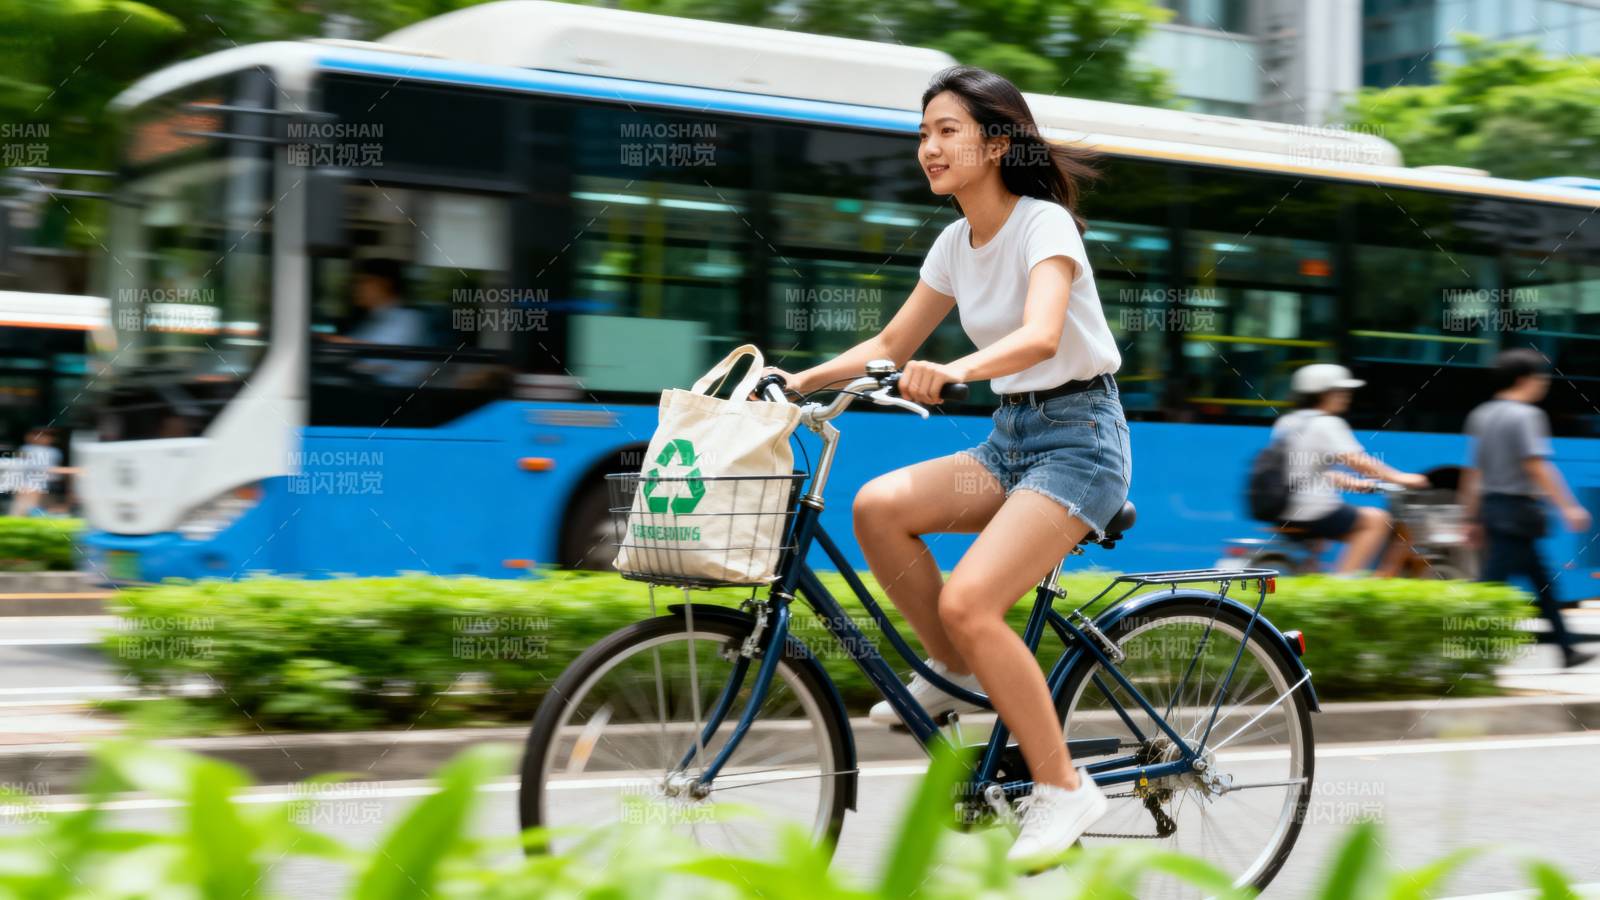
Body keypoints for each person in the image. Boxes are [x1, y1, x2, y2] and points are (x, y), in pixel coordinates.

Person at [760, 66, 1122, 864]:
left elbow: (1038, 335)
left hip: (1080, 443)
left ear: (997, 143)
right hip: (1011, 441)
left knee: (969, 599)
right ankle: (958, 673)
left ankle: (1064, 788)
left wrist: (957, 370)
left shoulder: (1043, 226)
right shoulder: (955, 241)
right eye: (923, 133)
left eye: (946, 130)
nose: (928, 147)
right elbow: (891, 346)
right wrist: (798, 380)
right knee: (878, 507)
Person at [1459, 349, 1594, 668]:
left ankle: (1566, 649)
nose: (1544, 384)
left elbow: (1473, 471)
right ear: (1524, 380)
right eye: (1541, 377)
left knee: (1542, 582)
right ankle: (1470, 650)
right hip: (1516, 511)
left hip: (1494, 508)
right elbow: (1536, 466)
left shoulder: (1481, 414)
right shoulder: (1526, 415)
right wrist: (1569, 506)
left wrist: (1470, 516)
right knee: (1492, 585)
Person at [1271, 364, 1428, 574]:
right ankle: (1343, 585)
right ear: (1321, 394)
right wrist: (1400, 478)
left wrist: (1353, 484)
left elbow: (1308, 470)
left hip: (1284, 508)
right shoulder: (1327, 423)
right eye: (1340, 391)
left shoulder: (1287, 421)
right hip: (1311, 509)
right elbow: (1358, 461)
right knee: (1377, 520)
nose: (1346, 396)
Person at [9, 428, 62, 517]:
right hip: (26, 486)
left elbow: (53, 473)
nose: (43, 438)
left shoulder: (55, 452)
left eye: (47, 435)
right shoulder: (26, 449)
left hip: (46, 487)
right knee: (21, 512)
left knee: (40, 513)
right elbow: (31, 467)